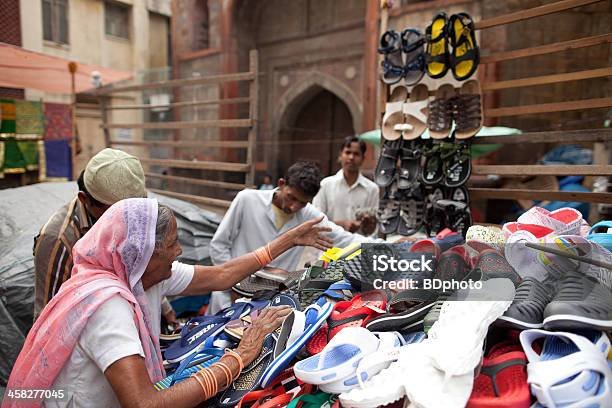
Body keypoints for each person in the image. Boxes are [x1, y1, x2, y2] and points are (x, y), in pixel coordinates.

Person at [6, 198, 331, 407]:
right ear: (145, 253)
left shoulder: (137, 275)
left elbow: (222, 276)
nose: (178, 252)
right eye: (173, 243)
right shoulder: (109, 307)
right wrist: (240, 356)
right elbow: (143, 404)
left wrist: (285, 241)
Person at [32, 148, 178, 326]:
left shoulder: (134, 217)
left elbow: (139, 268)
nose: (127, 221)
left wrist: (164, 307)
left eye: (132, 211)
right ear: (85, 200)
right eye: (115, 211)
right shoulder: (58, 239)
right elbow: (48, 320)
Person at [209, 161, 374, 313]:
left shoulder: (309, 215)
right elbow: (219, 245)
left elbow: (345, 239)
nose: (294, 206)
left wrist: (390, 245)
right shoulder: (247, 199)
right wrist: (231, 282)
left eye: (302, 203)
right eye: (291, 197)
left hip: (272, 302)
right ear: (282, 184)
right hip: (229, 295)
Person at [313, 136, 379, 235]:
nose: (351, 157)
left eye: (356, 154)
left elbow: (372, 230)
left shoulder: (372, 189)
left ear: (363, 158)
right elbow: (316, 222)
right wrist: (342, 225)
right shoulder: (326, 185)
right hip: (330, 245)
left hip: (359, 246)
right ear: (340, 155)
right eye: (348, 152)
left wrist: (367, 224)